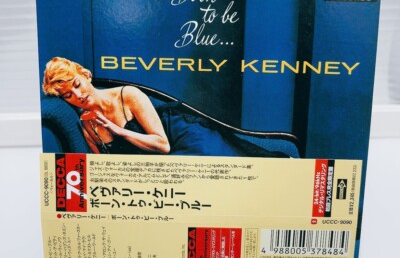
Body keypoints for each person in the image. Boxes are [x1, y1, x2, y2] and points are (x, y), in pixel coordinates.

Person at [42, 57, 288, 157]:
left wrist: (118, 131)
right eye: (67, 95)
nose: (78, 95)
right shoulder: (88, 126)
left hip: (182, 136)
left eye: (77, 84)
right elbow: (104, 168)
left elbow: (163, 145)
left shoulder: (128, 95)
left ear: (86, 75)